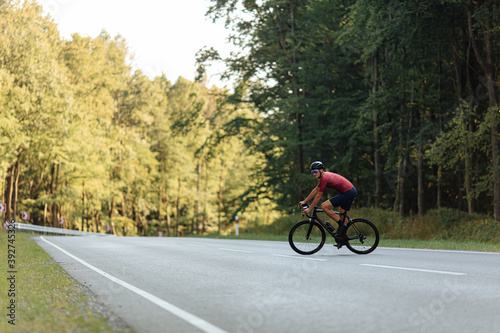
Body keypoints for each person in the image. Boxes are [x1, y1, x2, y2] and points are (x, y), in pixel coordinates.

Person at [298, 161, 358, 247]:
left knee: (324, 206)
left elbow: (318, 196)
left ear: (321, 170)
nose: (314, 174)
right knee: (342, 215)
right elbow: (316, 190)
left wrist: (309, 209)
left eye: (315, 172)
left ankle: (341, 225)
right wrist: (305, 201)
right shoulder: (323, 177)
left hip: (349, 193)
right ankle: (343, 239)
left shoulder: (324, 178)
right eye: (312, 172)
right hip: (350, 192)